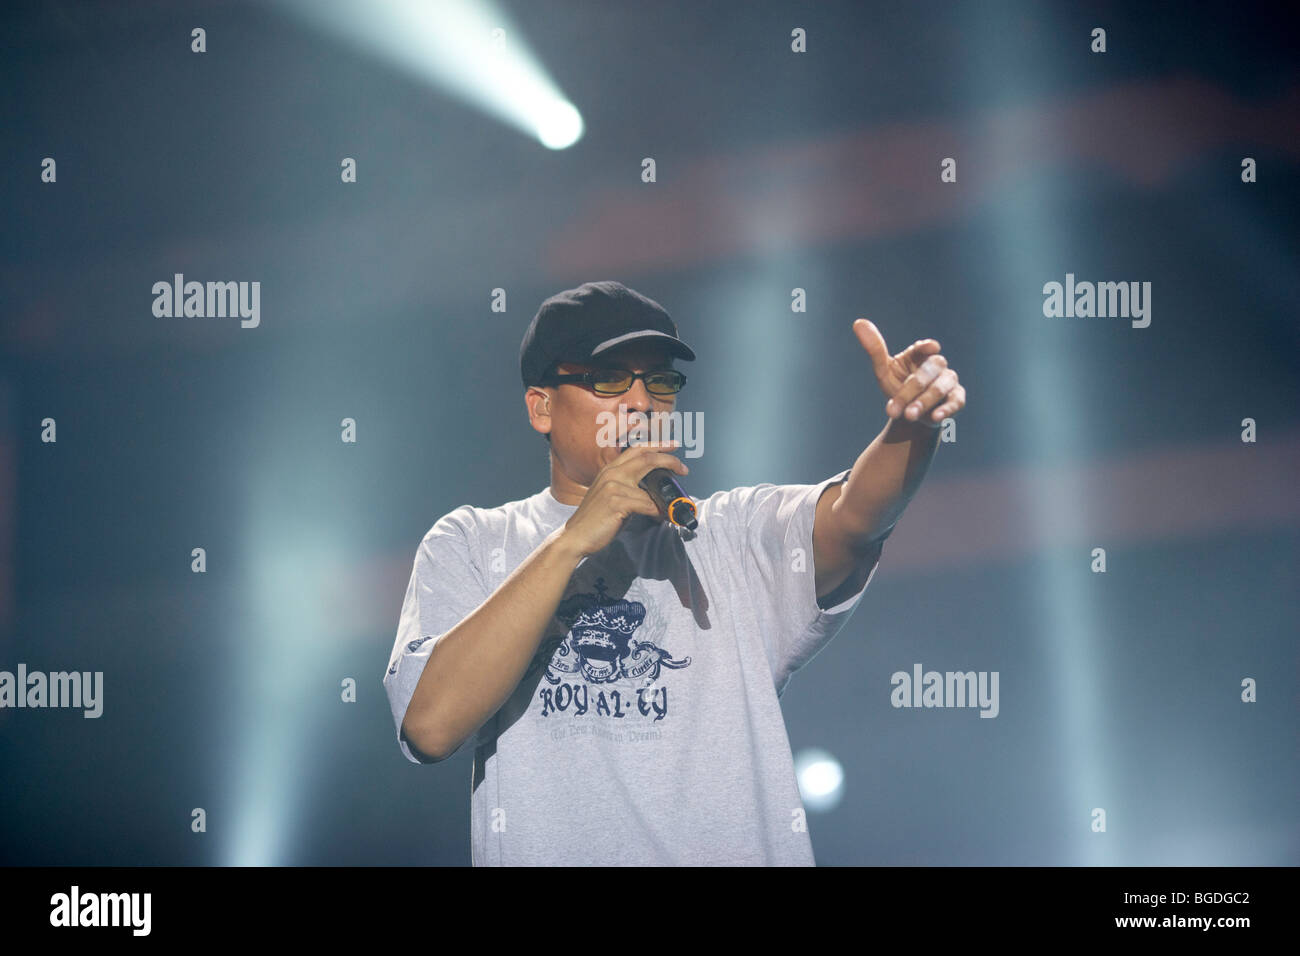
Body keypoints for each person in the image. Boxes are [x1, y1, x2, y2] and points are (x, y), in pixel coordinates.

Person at [383, 280, 965, 865]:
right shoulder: (473, 541)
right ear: (542, 406)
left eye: (659, 380)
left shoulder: (727, 535)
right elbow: (430, 727)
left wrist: (911, 429)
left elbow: (855, 517)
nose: (641, 404)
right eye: (608, 377)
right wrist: (569, 544)